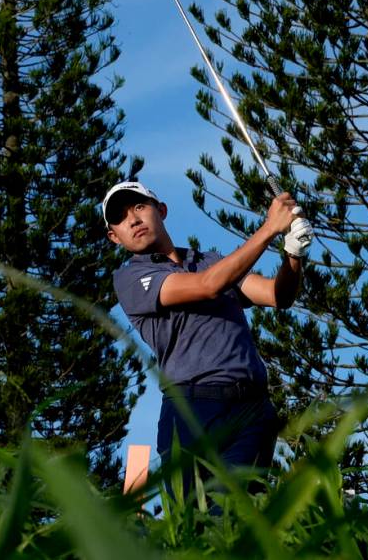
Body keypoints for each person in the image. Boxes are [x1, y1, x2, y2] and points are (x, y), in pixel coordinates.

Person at [103, 181, 313, 498]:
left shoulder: (210, 260)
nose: (132, 219)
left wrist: (293, 254)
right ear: (114, 236)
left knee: (241, 520)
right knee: (197, 530)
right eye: (119, 218)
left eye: (138, 207)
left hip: (252, 409)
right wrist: (270, 228)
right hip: (192, 411)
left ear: (161, 210)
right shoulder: (131, 278)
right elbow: (207, 286)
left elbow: (276, 295)